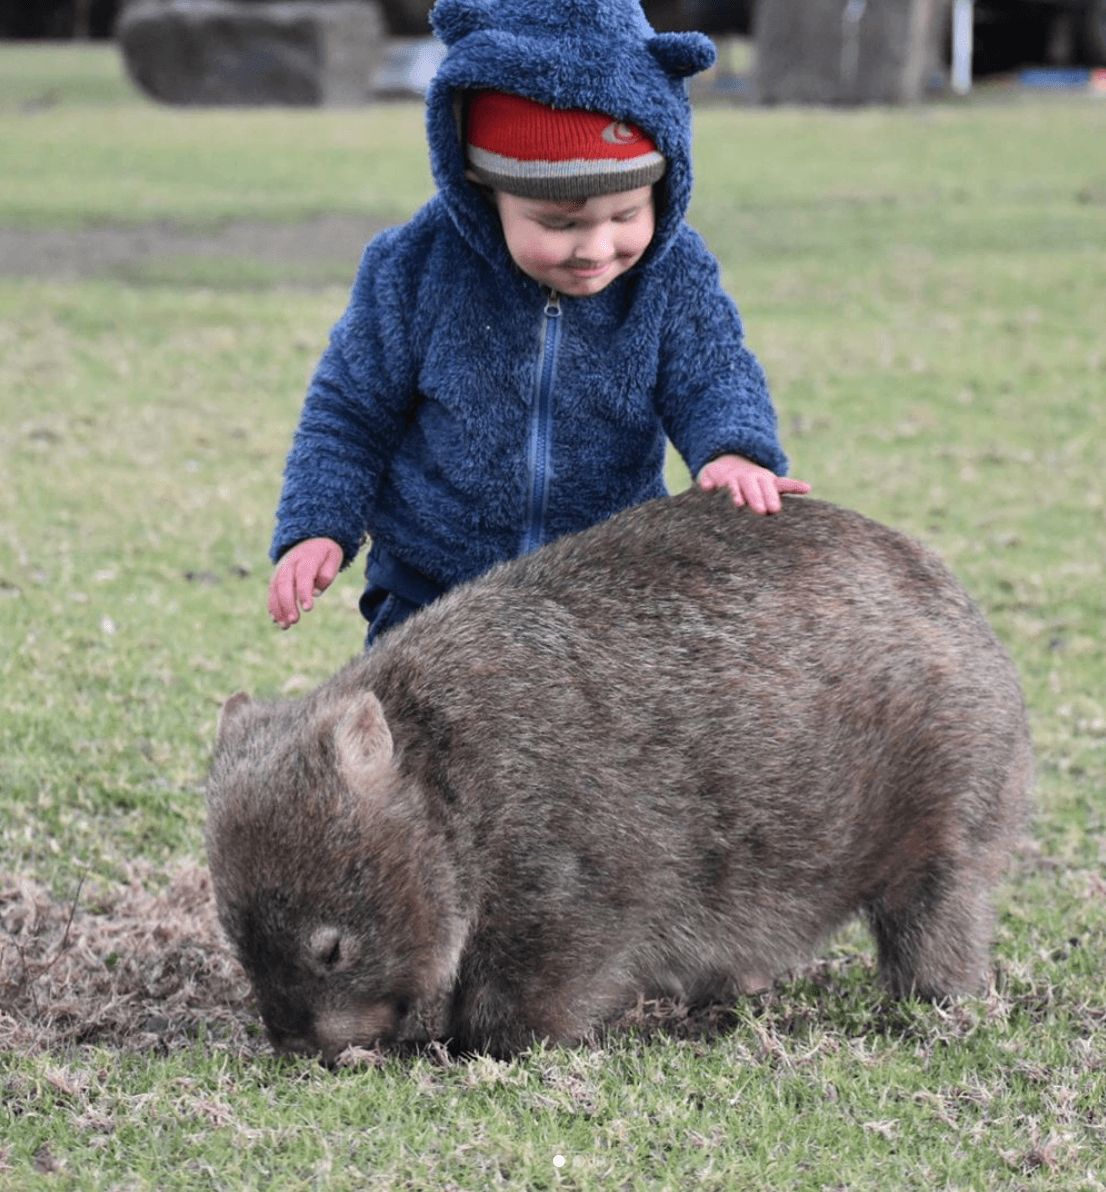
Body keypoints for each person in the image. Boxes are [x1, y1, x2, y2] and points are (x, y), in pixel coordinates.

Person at [268, 0, 810, 645]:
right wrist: (318, 525)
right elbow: (350, 411)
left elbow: (713, 372)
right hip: (433, 587)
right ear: (479, 181)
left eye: (628, 214)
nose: (596, 248)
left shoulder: (673, 271)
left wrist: (733, 451)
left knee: (603, 744)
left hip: (606, 585)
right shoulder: (412, 267)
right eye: (559, 223)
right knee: (422, 741)